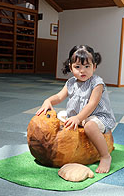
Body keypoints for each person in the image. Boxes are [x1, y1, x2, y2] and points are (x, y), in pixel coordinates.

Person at [36, 45, 116, 173]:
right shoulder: (71, 83)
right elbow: (59, 96)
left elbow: (92, 104)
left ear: (94, 67)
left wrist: (78, 118)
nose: (82, 71)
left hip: (97, 116)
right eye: (77, 67)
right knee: (60, 114)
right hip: (77, 116)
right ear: (70, 66)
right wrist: (48, 101)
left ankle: (105, 156)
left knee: (90, 126)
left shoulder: (97, 83)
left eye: (87, 66)